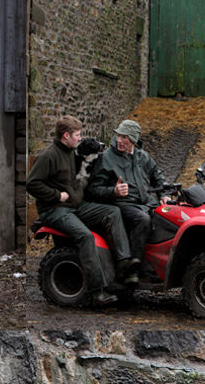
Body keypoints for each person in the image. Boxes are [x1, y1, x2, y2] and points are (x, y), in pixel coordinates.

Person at [27, 113, 137, 309]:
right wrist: (56, 195)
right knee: (85, 236)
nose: (80, 138)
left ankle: (122, 264)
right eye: (77, 135)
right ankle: (97, 291)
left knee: (112, 212)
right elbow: (32, 184)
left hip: (76, 206)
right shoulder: (48, 156)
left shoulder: (71, 153)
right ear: (66, 135)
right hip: (56, 210)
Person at [84, 117, 168, 275]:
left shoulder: (143, 157)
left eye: (124, 137)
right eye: (118, 136)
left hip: (147, 203)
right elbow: (92, 189)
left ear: (134, 139)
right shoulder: (106, 158)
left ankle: (156, 266)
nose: (119, 140)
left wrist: (164, 195)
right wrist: (113, 191)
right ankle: (131, 269)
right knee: (142, 220)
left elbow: (158, 178)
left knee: (168, 218)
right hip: (122, 205)